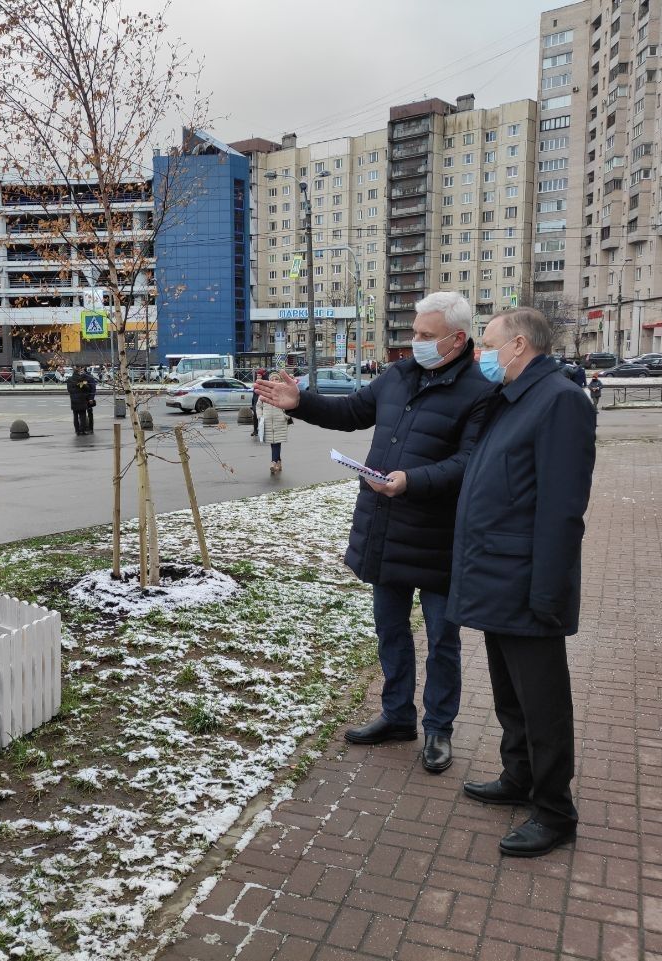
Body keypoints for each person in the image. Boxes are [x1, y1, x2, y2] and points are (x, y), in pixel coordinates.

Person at [255, 291, 494, 774]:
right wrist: (300, 402)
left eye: (426, 336)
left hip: (441, 536)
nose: (415, 343)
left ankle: (439, 730)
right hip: (388, 527)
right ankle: (397, 715)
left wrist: (411, 482)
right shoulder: (399, 375)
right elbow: (351, 414)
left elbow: (471, 462)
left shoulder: (479, 392)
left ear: (458, 339)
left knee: (442, 640)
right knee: (389, 630)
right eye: (414, 333)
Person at [448, 307, 596, 858]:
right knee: (510, 692)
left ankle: (555, 811)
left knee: (543, 703)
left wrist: (548, 592)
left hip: (527, 583)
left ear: (518, 346)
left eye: (487, 344)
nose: (480, 355)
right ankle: (518, 777)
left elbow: (562, 508)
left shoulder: (559, 400)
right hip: (495, 576)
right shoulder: (513, 397)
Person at [259, 374, 291, 474]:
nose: (274, 380)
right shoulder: (264, 393)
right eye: (272, 379)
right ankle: (278, 462)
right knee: (273, 443)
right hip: (267, 422)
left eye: (276, 379)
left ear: (279, 380)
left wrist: (286, 416)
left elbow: (290, 406)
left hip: (280, 421)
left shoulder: (283, 393)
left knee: (276, 442)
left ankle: (273, 463)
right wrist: (260, 416)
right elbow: (258, 406)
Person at [67, 366, 97, 435]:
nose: (81, 370)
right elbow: (87, 388)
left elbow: (69, 390)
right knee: (82, 415)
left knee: (79, 415)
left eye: (81, 369)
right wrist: (83, 385)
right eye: (80, 369)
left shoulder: (70, 379)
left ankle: (82, 430)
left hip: (79, 400)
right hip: (82, 399)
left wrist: (91, 398)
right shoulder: (80, 379)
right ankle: (82, 430)